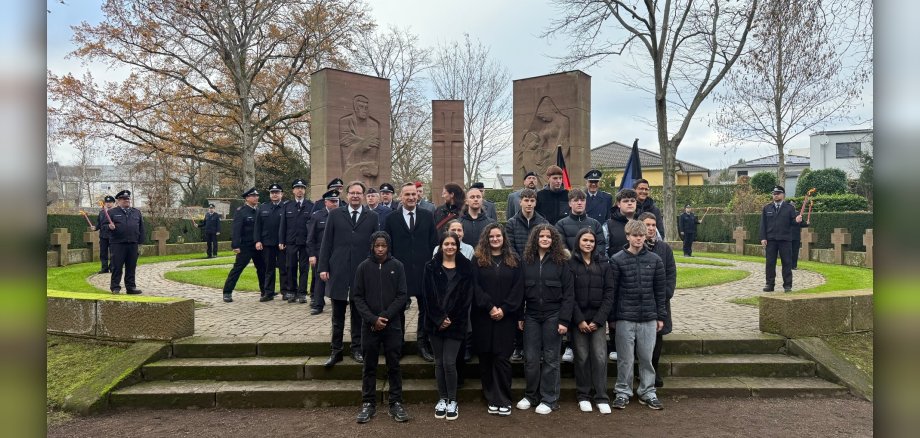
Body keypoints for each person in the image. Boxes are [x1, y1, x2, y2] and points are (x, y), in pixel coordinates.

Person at [353, 231, 410, 424]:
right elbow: (357, 297)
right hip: (369, 327)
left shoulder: (397, 266)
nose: (380, 249)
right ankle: (368, 403)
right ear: (371, 246)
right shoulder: (363, 267)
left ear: (388, 246)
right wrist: (372, 319)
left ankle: (396, 402)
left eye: (383, 246)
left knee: (394, 365)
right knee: (369, 366)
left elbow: (402, 295)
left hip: (392, 325)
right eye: (377, 245)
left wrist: (384, 317)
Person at [516, 224, 574, 415]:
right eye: (541, 236)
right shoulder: (526, 260)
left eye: (549, 236)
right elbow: (520, 292)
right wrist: (520, 316)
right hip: (531, 315)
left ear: (553, 239)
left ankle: (549, 399)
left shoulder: (562, 261)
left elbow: (569, 294)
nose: (545, 239)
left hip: (553, 315)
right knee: (531, 358)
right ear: (535, 238)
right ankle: (531, 395)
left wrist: (564, 320)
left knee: (551, 358)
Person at [609, 219, 667, 411]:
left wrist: (660, 316)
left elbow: (660, 291)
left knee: (646, 358)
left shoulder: (655, 260)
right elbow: (613, 292)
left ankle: (648, 392)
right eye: (634, 235)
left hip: (649, 317)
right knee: (625, 359)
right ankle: (623, 392)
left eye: (641, 235)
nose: (638, 239)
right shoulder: (617, 260)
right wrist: (613, 319)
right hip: (625, 317)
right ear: (628, 236)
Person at [318, 181, 377, 366]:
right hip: (339, 270)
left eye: (359, 193)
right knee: (337, 315)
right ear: (347, 195)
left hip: (362, 271)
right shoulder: (335, 215)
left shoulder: (372, 216)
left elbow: (376, 245)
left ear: (364, 195)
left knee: (359, 314)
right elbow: (326, 242)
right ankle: (336, 351)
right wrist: (323, 267)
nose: (355, 196)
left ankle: (357, 348)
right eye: (352, 193)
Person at [471, 223, 523, 417]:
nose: (495, 239)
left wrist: (505, 309)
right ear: (486, 238)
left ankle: (503, 398)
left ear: (504, 238)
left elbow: (519, 288)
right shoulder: (477, 260)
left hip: (506, 318)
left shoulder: (514, 260)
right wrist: (490, 307)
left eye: (498, 236)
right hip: (483, 316)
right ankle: (491, 396)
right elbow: (475, 287)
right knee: (486, 357)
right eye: (491, 236)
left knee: (502, 358)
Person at [384, 182, 438, 362]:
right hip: (400, 273)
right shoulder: (391, 218)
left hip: (423, 272)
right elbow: (387, 246)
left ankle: (423, 345)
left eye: (414, 194)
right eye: (407, 194)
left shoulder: (427, 216)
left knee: (426, 310)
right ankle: (397, 345)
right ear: (401, 197)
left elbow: (433, 243)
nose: (411, 197)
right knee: (398, 310)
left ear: (418, 195)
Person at [424, 232, 474, 421]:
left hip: (456, 323)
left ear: (458, 246)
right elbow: (427, 295)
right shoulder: (430, 267)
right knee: (438, 362)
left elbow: (466, 298)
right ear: (441, 246)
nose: (450, 247)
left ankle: (452, 400)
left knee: (449, 362)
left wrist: (450, 318)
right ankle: (442, 398)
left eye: (453, 244)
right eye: (446, 244)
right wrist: (439, 318)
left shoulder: (466, 267)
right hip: (434, 323)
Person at [568, 228, 615, 414]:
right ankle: (583, 395)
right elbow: (568, 294)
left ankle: (601, 396)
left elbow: (609, 293)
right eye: (585, 240)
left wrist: (599, 319)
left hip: (598, 320)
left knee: (600, 357)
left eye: (592, 241)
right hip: (578, 320)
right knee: (582, 357)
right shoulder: (570, 263)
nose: (588, 243)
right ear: (578, 241)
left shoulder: (603, 263)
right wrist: (579, 320)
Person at [503, 188, 547, 362]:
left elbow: (544, 245)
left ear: (535, 202)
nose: (529, 204)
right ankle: (518, 346)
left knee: (538, 308)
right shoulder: (512, 223)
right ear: (520, 202)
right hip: (518, 272)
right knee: (518, 310)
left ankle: (541, 348)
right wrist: (521, 265)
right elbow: (510, 248)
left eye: (532, 200)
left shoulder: (542, 222)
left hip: (538, 272)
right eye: (526, 200)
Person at [639, 212, 676, 388]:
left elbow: (671, 274)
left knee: (657, 337)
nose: (651, 228)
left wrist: (665, 294)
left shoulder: (664, 248)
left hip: (660, 301)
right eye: (647, 225)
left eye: (653, 225)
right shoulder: (634, 247)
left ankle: (654, 370)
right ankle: (640, 371)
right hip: (639, 301)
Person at [604, 188, 639, 361]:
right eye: (626, 201)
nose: (630, 203)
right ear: (618, 204)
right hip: (616, 273)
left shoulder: (642, 222)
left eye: (633, 200)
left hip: (639, 275)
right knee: (615, 310)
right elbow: (603, 251)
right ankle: (614, 345)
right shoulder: (609, 225)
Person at [221, 188, 266, 303]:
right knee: (237, 269)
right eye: (253, 196)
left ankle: (265, 291)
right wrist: (235, 245)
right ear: (247, 198)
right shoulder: (241, 211)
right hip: (245, 246)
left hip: (258, 246)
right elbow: (236, 230)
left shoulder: (259, 210)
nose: (256, 198)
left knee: (262, 269)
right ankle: (227, 292)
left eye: (257, 196)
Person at [759, 185, 803, 292]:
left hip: (785, 239)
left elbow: (793, 223)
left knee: (787, 263)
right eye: (774, 194)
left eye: (778, 193)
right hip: (771, 240)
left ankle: (787, 285)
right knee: (770, 263)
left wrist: (797, 220)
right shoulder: (767, 208)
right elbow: (763, 224)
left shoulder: (789, 208)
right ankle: (770, 284)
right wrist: (763, 237)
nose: (775, 195)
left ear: (783, 195)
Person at [279, 178, 314, 303]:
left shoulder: (311, 205)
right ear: (293, 190)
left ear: (305, 190)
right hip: (291, 241)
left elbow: (312, 226)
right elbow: (283, 225)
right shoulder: (287, 205)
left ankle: (302, 293)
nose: (300, 190)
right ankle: (291, 291)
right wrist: (281, 240)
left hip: (305, 242)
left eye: (302, 188)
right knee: (290, 266)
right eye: (297, 188)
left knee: (304, 268)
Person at [105, 190, 145, 294]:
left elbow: (141, 228)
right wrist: (109, 226)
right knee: (117, 266)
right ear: (118, 201)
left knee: (131, 266)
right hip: (118, 244)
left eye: (128, 199)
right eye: (124, 199)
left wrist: (140, 242)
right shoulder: (112, 212)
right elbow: (103, 227)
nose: (126, 201)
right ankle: (115, 287)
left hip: (132, 243)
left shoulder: (136, 212)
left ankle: (131, 287)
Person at [306, 190, 338, 315]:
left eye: (336, 201)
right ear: (326, 202)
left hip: (336, 253)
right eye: (332, 201)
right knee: (320, 279)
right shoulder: (317, 216)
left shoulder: (342, 215)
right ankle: (318, 304)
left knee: (336, 279)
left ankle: (337, 303)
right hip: (320, 253)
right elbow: (310, 238)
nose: (335, 203)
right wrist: (312, 255)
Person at [254, 183, 287, 302]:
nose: (274, 194)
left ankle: (285, 291)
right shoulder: (263, 207)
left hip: (282, 243)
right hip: (267, 243)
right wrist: (257, 240)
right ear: (270, 194)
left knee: (284, 268)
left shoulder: (286, 207)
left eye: (277, 192)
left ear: (281, 194)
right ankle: (268, 292)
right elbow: (257, 227)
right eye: (272, 192)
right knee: (269, 269)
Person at [555, 188, 606, 255]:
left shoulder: (595, 224)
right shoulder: (561, 224)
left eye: (582, 200)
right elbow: (561, 246)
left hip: (591, 263)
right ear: (570, 203)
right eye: (576, 200)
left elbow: (601, 245)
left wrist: (589, 258)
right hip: (570, 263)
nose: (579, 203)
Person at [93, 195, 116, 273]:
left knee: (113, 252)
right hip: (103, 235)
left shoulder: (116, 212)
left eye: (110, 202)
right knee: (103, 253)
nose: (108, 204)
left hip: (113, 235)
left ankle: (112, 267)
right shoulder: (102, 212)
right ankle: (104, 268)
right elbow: (99, 223)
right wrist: (95, 228)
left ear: (113, 203)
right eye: (107, 202)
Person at [787, 200, 810, 270]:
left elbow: (802, 224)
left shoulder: (798, 214)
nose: (792, 206)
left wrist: (807, 223)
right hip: (788, 236)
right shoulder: (786, 214)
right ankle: (788, 265)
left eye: (793, 205)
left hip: (796, 236)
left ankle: (794, 266)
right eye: (791, 205)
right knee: (788, 251)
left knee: (795, 251)